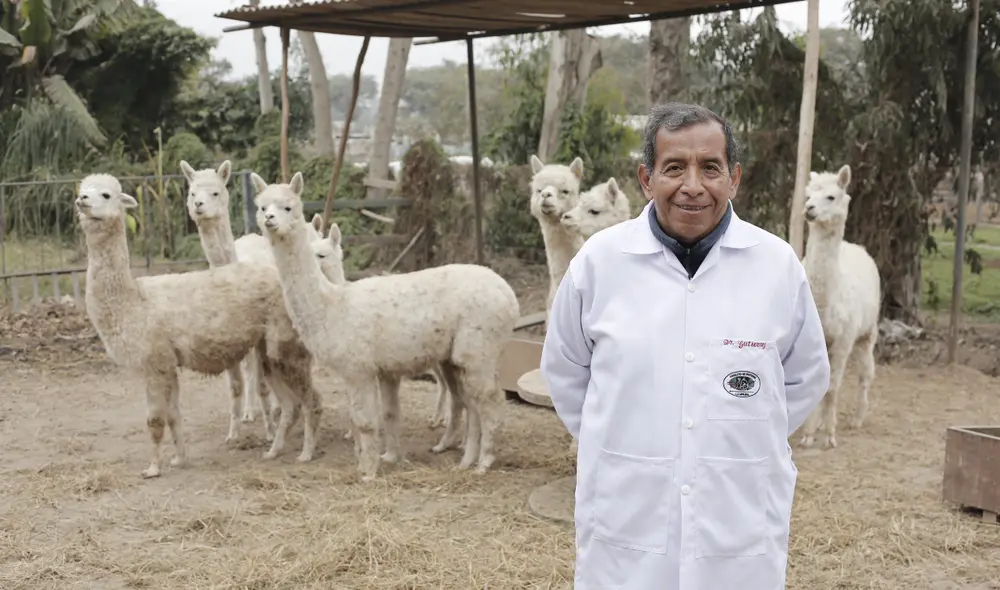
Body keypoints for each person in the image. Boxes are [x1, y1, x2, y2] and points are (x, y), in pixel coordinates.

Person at [540, 102, 831, 590]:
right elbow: (567, 374)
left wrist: (735, 435)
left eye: (710, 168)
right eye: (674, 167)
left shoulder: (776, 266)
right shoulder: (599, 264)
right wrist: (627, 438)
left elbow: (803, 379)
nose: (693, 185)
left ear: (734, 178)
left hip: (739, 530)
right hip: (626, 526)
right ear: (646, 179)